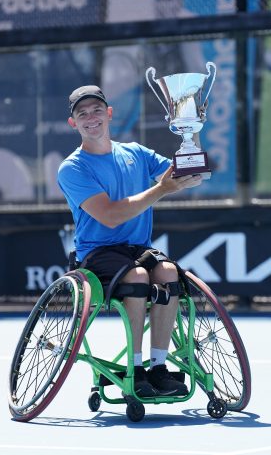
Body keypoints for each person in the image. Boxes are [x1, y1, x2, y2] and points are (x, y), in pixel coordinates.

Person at [58, 85, 203, 398]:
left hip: (138, 249)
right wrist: (160, 190)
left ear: (109, 114)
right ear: (74, 124)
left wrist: (193, 131)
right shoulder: (72, 168)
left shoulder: (136, 153)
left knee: (167, 273)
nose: (90, 117)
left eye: (96, 110)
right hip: (97, 254)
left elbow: (195, 174)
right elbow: (110, 216)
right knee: (137, 275)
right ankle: (136, 370)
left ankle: (159, 368)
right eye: (81, 114)